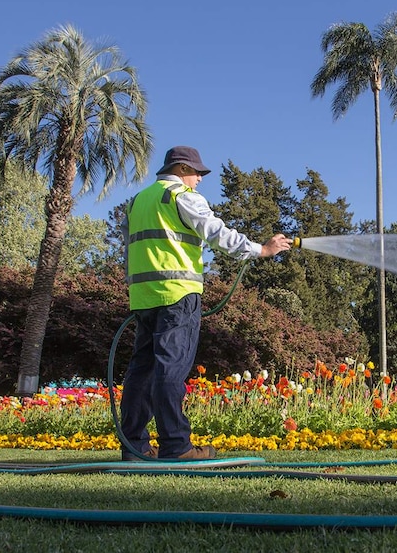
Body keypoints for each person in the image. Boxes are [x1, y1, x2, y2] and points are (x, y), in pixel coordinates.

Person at [120, 145, 291, 461]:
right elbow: (216, 233)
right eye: (197, 172)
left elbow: (132, 249)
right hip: (178, 295)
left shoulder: (138, 201)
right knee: (170, 369)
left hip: (143, 297)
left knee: (141, 371)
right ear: (183, 169)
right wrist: (261, 250)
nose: (199, 179)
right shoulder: (181, 196)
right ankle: (176, 446)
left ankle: (134, 447)